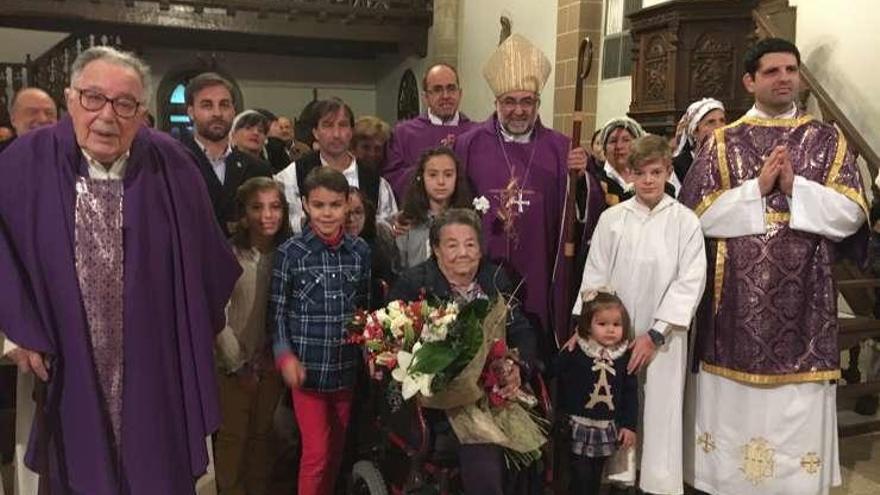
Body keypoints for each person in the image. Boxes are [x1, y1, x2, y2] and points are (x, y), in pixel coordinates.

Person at [0, 46, 240, 494]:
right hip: (62, 357)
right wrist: (15, 329)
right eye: (93, 98)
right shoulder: (25, 160)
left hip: (153, 366)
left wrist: (191, 328)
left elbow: (212, 262)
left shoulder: (173, 165)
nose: (107, 116)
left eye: (124, 103)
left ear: (142, 112)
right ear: (70, 99)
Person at [680, 38, 867, 495]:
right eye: (772, 71)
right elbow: (693, 216)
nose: (784, 78)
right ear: (750, 81)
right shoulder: (724, 141)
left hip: (806, 297)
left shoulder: (826, 139)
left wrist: (796, 186)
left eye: (791, 70)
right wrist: (756, 190)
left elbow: (852, 212)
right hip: (735, 304)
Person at [572, 134, 706, 495]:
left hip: (664, 339)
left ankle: (658, 483)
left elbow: (689, 282)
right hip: (613, 336)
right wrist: (589, 327)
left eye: (656, 172)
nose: (648, 180)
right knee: (617, 403)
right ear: (629, 174)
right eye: (641, 172)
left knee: (660, 409)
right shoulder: (613, 219)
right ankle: (620, 478)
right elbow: (595, 275)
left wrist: (656, 334)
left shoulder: (685, 222)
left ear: (667, 173)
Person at [388, 208, 539, 495]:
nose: (463, 252)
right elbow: (395, 342)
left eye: (470, 244)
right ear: (435, 249)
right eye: (452, 245)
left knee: (531, 445)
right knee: (484, 446)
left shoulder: (495, 280)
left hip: (493, 389)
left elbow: (521, 329)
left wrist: (516, 364)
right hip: (439, 401)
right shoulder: (413, 283)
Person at [455, 34, 573, 348]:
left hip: (540, 265)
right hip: (482, 266)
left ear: (537, 103)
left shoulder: (561, 148)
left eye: (527, 101)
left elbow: (581, 212)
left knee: (534, 341)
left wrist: (582, 176)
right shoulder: (469, 143)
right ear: (496, 103)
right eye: (510, 101)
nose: (518, 110)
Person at [270, 167, 371, 495]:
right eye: (319, 205)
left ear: (347, 206)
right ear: (305, 205)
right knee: (317, 453)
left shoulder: (360, 253)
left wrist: (370, 350)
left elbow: (364, 311)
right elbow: (278, 313)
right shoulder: (290, 254)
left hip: (345, 371)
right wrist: (284, 356)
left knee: (337, 452)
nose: (327, 213)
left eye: (335, 205)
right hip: (308, 373)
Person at [214, 177, 291, 495]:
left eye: (274, 207)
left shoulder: (288, 255)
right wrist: (237, 363)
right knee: (233, 437)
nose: (267, 215)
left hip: (270, 363)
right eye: (257, 208)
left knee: (263, 437)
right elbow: (218, 314)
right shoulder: (229, 255)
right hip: (232, 366)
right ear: (243, 214)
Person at [275, 97, 397, 234]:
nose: (336, 134)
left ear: (351, 131)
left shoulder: (375, 181)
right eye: (327, 125)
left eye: (343, 125)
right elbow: (284, 224)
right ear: (315, 132)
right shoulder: (292, 175)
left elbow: (388, 228)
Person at [558, 291, 638, 495]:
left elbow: (630, 394)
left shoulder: (623, 356)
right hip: (578, 425)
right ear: (588, 325)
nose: (610, 330)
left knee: (595, 477)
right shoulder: (578, 350)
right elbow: (554, 369)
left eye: (616, 325)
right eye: (602, 324)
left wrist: (629, 425)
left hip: (605, 429)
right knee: (579, 475)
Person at [180, 72, 273, 235]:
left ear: (233, 110)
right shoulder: (173, 162)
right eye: (207, 105)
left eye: (224, 105)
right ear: (191, 111)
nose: (217, 113)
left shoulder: (257, 168)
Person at [384, 63, 477, 200]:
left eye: (451, 89)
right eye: (438, 89)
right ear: (425, 97)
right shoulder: (403, 133)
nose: (445, 96)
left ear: (460, 93)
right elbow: (392, 180)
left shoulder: (476, 133)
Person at [396, 146, 472, 269]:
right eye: (433, 175)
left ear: (457, 178)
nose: (441, 181)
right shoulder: (406, 221)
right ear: (421, 177)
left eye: (448, 175)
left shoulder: (468, 220)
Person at [345, 186, 398, 309]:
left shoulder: (379, 250)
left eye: (358, 212)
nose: (351, 219)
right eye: (346, 213)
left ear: (367, 213)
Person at [671, 98, 726, 184]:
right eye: (711, 122)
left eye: (722, 120)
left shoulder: (731, 159)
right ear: (695, 131)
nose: (719, 127)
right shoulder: (678, 166)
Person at [0, 87, 58, 154]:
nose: (43, 119)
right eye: (32, 112)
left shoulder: (68, 153)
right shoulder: (3, 154)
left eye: (49, 113)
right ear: (13, 119)